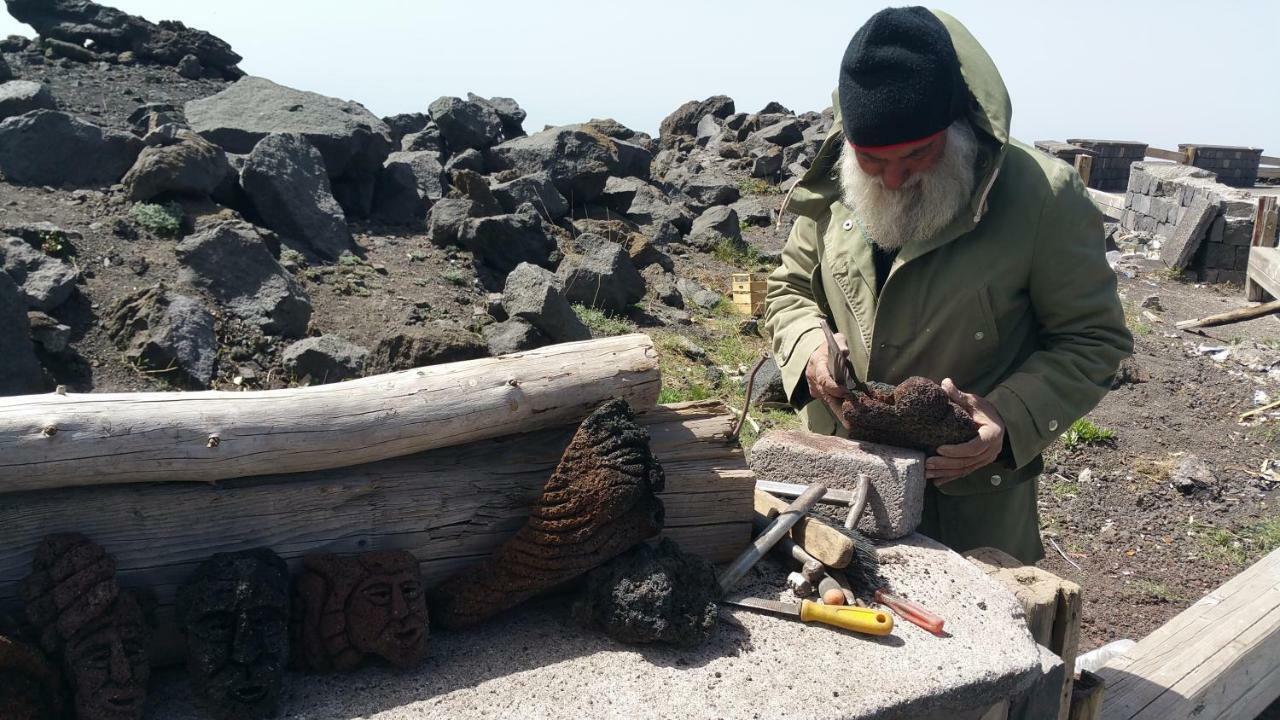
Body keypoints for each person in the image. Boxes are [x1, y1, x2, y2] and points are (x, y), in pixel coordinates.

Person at [763, 6, 1132, 562]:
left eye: (917, 155)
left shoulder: (1042, 198)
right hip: (834, 478)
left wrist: (1007, 415)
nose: (891, 177)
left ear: (959, 129)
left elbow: (1093, 341)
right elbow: (788, 289)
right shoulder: (834, 185)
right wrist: (809, 345)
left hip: (966, 512)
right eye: (870, 160)